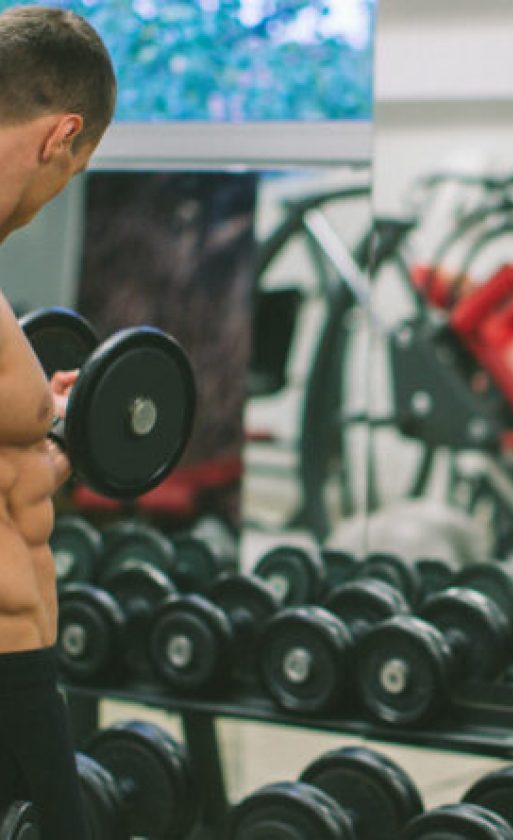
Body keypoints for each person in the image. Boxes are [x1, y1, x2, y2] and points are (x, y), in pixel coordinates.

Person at [0, 6, 116, 838]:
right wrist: (57, 432)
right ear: (61, 136)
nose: (52, 199)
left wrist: (53, 429)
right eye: (73, 171)